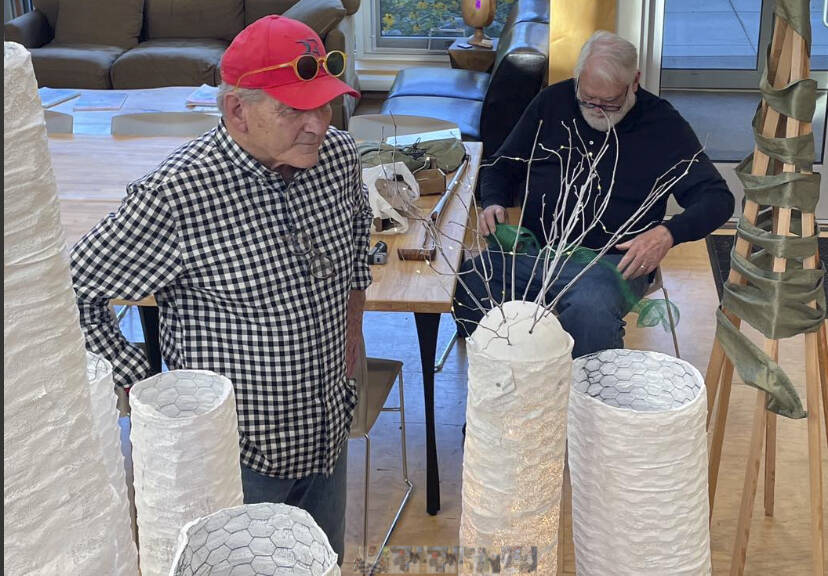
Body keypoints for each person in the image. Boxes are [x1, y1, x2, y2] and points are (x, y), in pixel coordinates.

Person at [70, 15, 370, 562]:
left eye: (325, 105)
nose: (318, 125)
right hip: (236, 455)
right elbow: (75, 291)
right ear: (237, 110)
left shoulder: (340, 159)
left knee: (324, 560)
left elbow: (355, 246)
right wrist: (147, 386)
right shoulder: (177, 195)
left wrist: (352, 331)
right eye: (294, 109)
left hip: (327, 433)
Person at [453, 31, 734, 357]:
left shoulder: (662, 124)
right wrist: (493, 202)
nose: (597, 109)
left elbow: (718, 198)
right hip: (538, 251)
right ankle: (512, 369)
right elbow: (502, 165)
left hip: (612, 262)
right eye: (587, 99)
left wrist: (667, 233)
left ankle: (587, 386)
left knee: (590, 311)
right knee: (470, 282)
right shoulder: (552, 102)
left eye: (610, 102)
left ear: (634, 82)